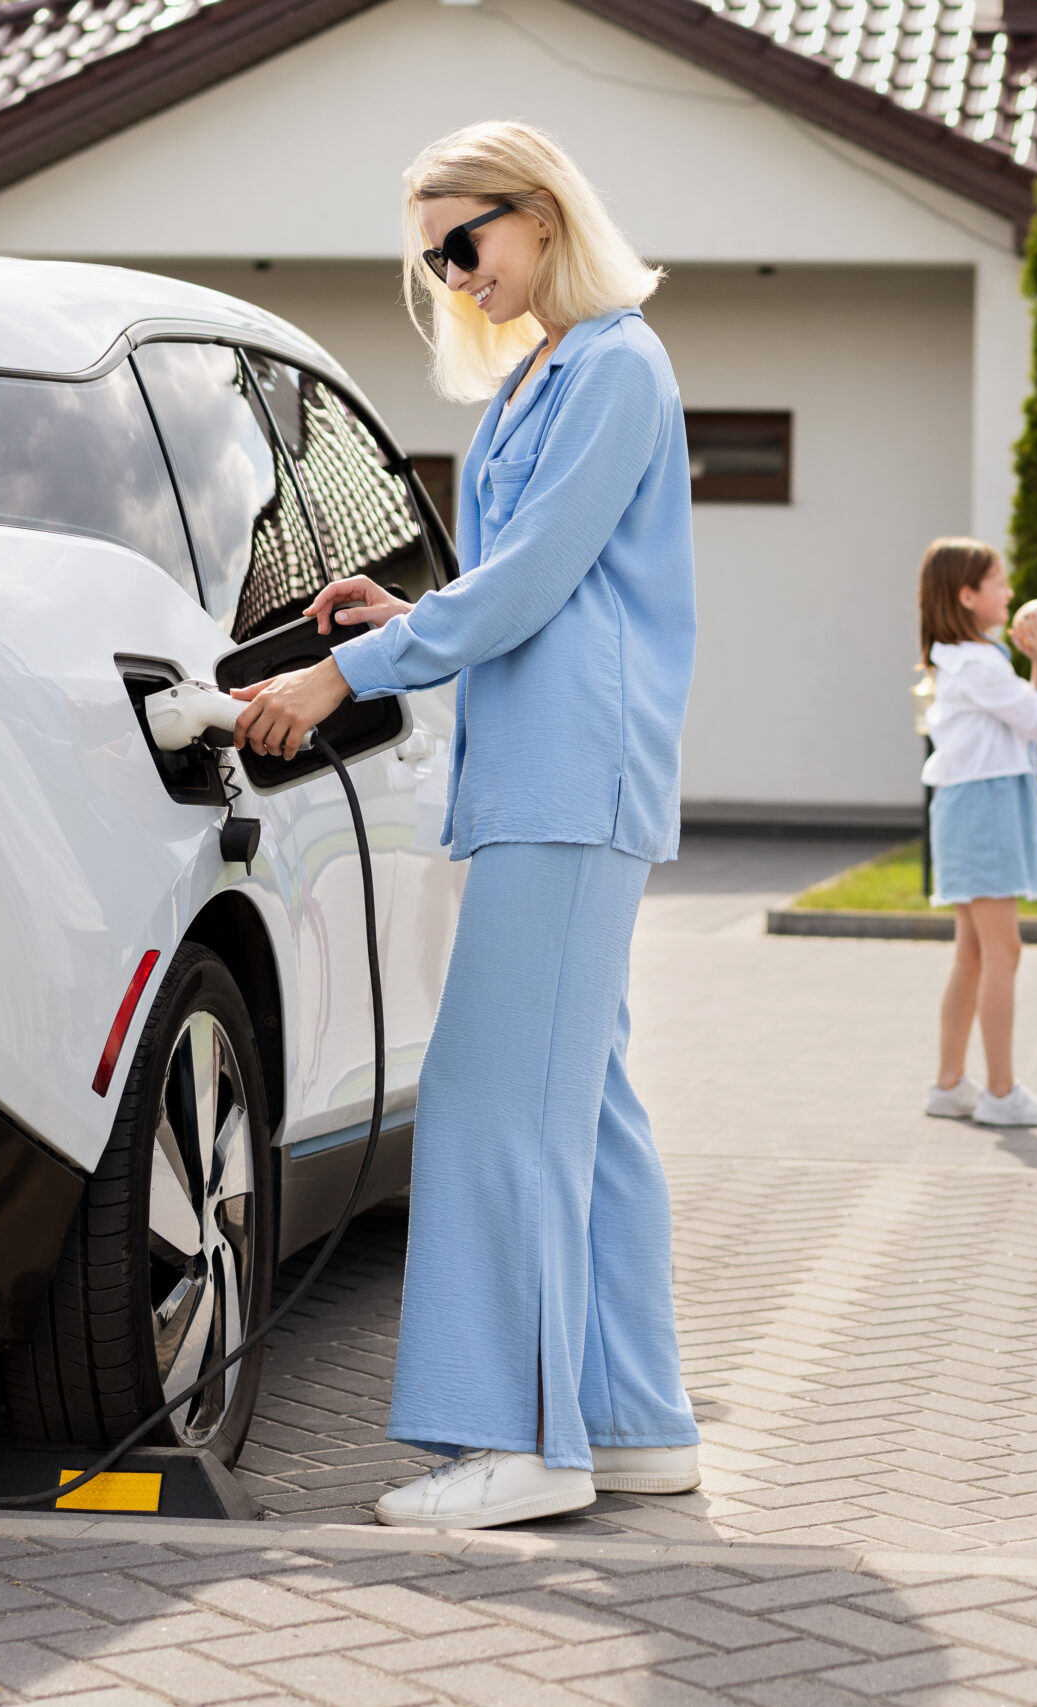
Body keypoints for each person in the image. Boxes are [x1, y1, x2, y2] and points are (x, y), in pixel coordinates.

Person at [228, 120, 700, 1528]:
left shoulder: (617, 363)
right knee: (586, 1108)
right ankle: (631, 1420)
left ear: (542, 213)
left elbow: (532, 585)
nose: (448, 270)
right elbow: (508, 584)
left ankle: (514, 1440)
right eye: (428, 252)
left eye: (463, 238)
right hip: (538, 776)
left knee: (494, 1100)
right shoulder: (540, 383)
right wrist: (398, 615)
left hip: (573, 779)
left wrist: (338, 672)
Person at [916, 539, 1037, 1128]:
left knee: (975, 953)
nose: (1010, 593)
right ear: (967, 595)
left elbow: (1024, 717)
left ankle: (950, 1084)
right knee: (1002, 950)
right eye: (1000, 584)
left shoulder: (966, 659)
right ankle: (1002, 1095)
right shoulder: (979, 664)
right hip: (983, 811)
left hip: (970, 807)